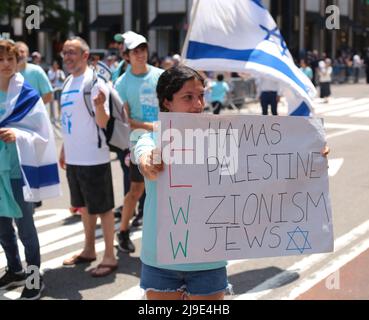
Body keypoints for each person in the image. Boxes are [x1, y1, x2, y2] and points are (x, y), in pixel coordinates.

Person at [135, 66, 229, 300]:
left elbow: (258, 167)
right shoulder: (149, 139)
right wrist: (150, 161)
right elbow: (145, 159)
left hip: (209, 258)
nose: (198, 105)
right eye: (188, 97)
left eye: (201, 95)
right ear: (167, 101)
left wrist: (308, 157)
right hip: (160, 261)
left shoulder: (222, 139)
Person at [0, 39, 60, 299]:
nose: (5, 64)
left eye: (9, 59)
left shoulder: (27, 94)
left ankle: (35, 278)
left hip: (18, 170)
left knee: (26, 228)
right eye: (0, 60)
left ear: (17, 61)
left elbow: (42, 133)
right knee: (1, 227)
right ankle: (15, 270)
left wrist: (18, 134)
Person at [59, 37, 118, 277]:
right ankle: (89, 250)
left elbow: (103, 122)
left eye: (72, 52)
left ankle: (110, 257)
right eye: (64, 53)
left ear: (85, 55)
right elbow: (68, 120)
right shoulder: (67, 82)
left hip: (94, 158)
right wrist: (64, 148)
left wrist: (101, 107)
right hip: (74, 158)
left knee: (103, 208)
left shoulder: (94, 82)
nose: (67, 57)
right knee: (84, 208)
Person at [114, 31, 163, 253]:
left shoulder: (161, 76)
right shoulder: (122, 83)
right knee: (136, 189)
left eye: (143, 49)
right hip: (139, 142)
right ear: (127, 56)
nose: (141, 54)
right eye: (135, 51)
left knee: (167, 187)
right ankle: (123, 231)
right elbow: (125, 120)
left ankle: (170, 236)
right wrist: (150, 126)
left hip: (166, 138)